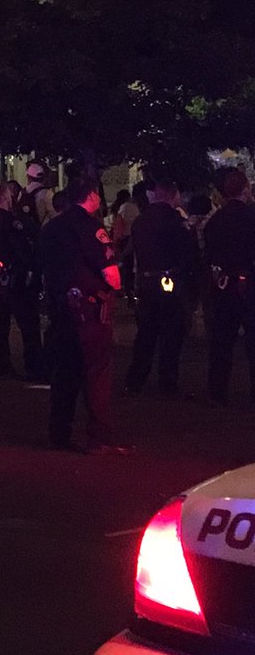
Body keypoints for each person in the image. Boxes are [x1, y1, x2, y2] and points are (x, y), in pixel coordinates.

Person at [40, 176, 131, 455]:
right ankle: (99, 437)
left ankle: (59, 434)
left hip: (60, 309)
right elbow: (111, 275)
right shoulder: (90, 227)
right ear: (91, 196)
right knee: (97, 374)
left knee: (64, 374)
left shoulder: (51, 227)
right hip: (89, 313)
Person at [124, 178, 197, 397]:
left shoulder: (140, 221)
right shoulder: (175, 221)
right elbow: (187, 253)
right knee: (171, 334)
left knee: (146, 333)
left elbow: (132, 254)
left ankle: (135, 380)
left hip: (146, 282)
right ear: (173, 195)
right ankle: (167, 382)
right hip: (170, 281)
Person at [202, 168, 255, 405]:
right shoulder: (251, 216)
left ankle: (217, 391)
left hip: (224, 283)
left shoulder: (216, 221)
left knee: (222, 340)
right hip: (250, 281)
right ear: (245, 189)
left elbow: (209, 254)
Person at [0, 183, 44, 379]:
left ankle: (1, 365)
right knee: (28, 323)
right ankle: (34, 366)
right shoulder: (14, 221)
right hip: (15, 279)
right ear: (7, 197)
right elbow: (31, 241)